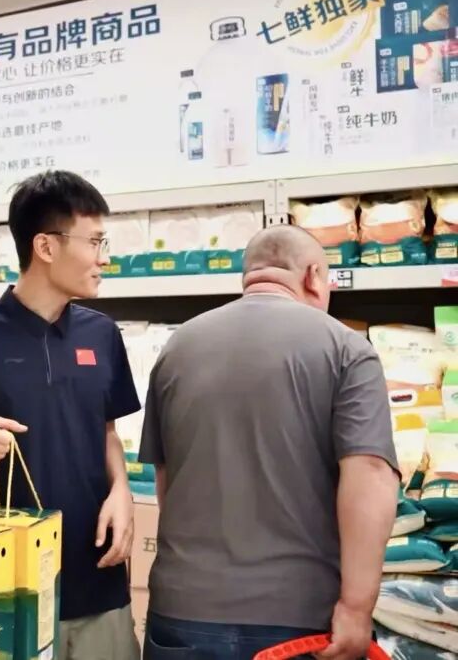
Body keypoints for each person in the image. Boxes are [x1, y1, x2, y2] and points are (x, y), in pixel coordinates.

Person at [138, 225, 398, 660]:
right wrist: (357, 606)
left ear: (249, 275)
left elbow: (167, 479)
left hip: (182, 612)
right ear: (313, 276)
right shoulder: (346, 348)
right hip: (297, 620)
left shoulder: (178, 346)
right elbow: (370, 475)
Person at [0, 170, 141, 659]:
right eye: (94, 241)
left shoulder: (103, 335)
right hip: (4, 587)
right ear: (45, 246)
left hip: (98, 575)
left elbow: (107, 431)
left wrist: (122, 491)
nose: (104, 258)